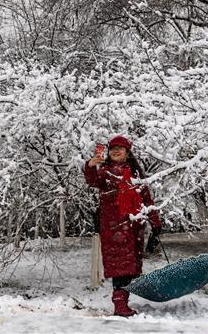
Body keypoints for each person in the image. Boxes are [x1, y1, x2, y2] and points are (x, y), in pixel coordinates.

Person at [84, 134, 161, 317]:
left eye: (120, 148)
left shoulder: (135, 174)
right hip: (114, 227)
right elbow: (93, 181)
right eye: (113, 149)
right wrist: (90, 166)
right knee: (120, 266)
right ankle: (119, 304)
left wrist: (155, 223)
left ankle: (122, 302)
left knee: (130, 267)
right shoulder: (105, 172)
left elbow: (146, 199)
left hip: (134, 226)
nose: (116, 151)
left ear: (127, 152)